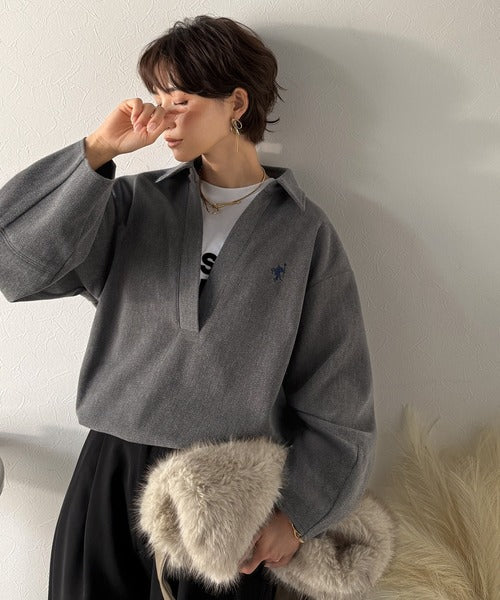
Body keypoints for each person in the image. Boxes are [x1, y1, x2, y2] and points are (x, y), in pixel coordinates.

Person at [0, 15, 376, 600]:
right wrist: (98, 152)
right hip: (110, 477)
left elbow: (339, 399)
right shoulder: (131, 204)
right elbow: (13, 263)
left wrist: (298, 515)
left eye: (179, 100)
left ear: (236, 103)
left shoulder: (304, 233)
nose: (162, 116)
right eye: (156, 97)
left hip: (226, 504)